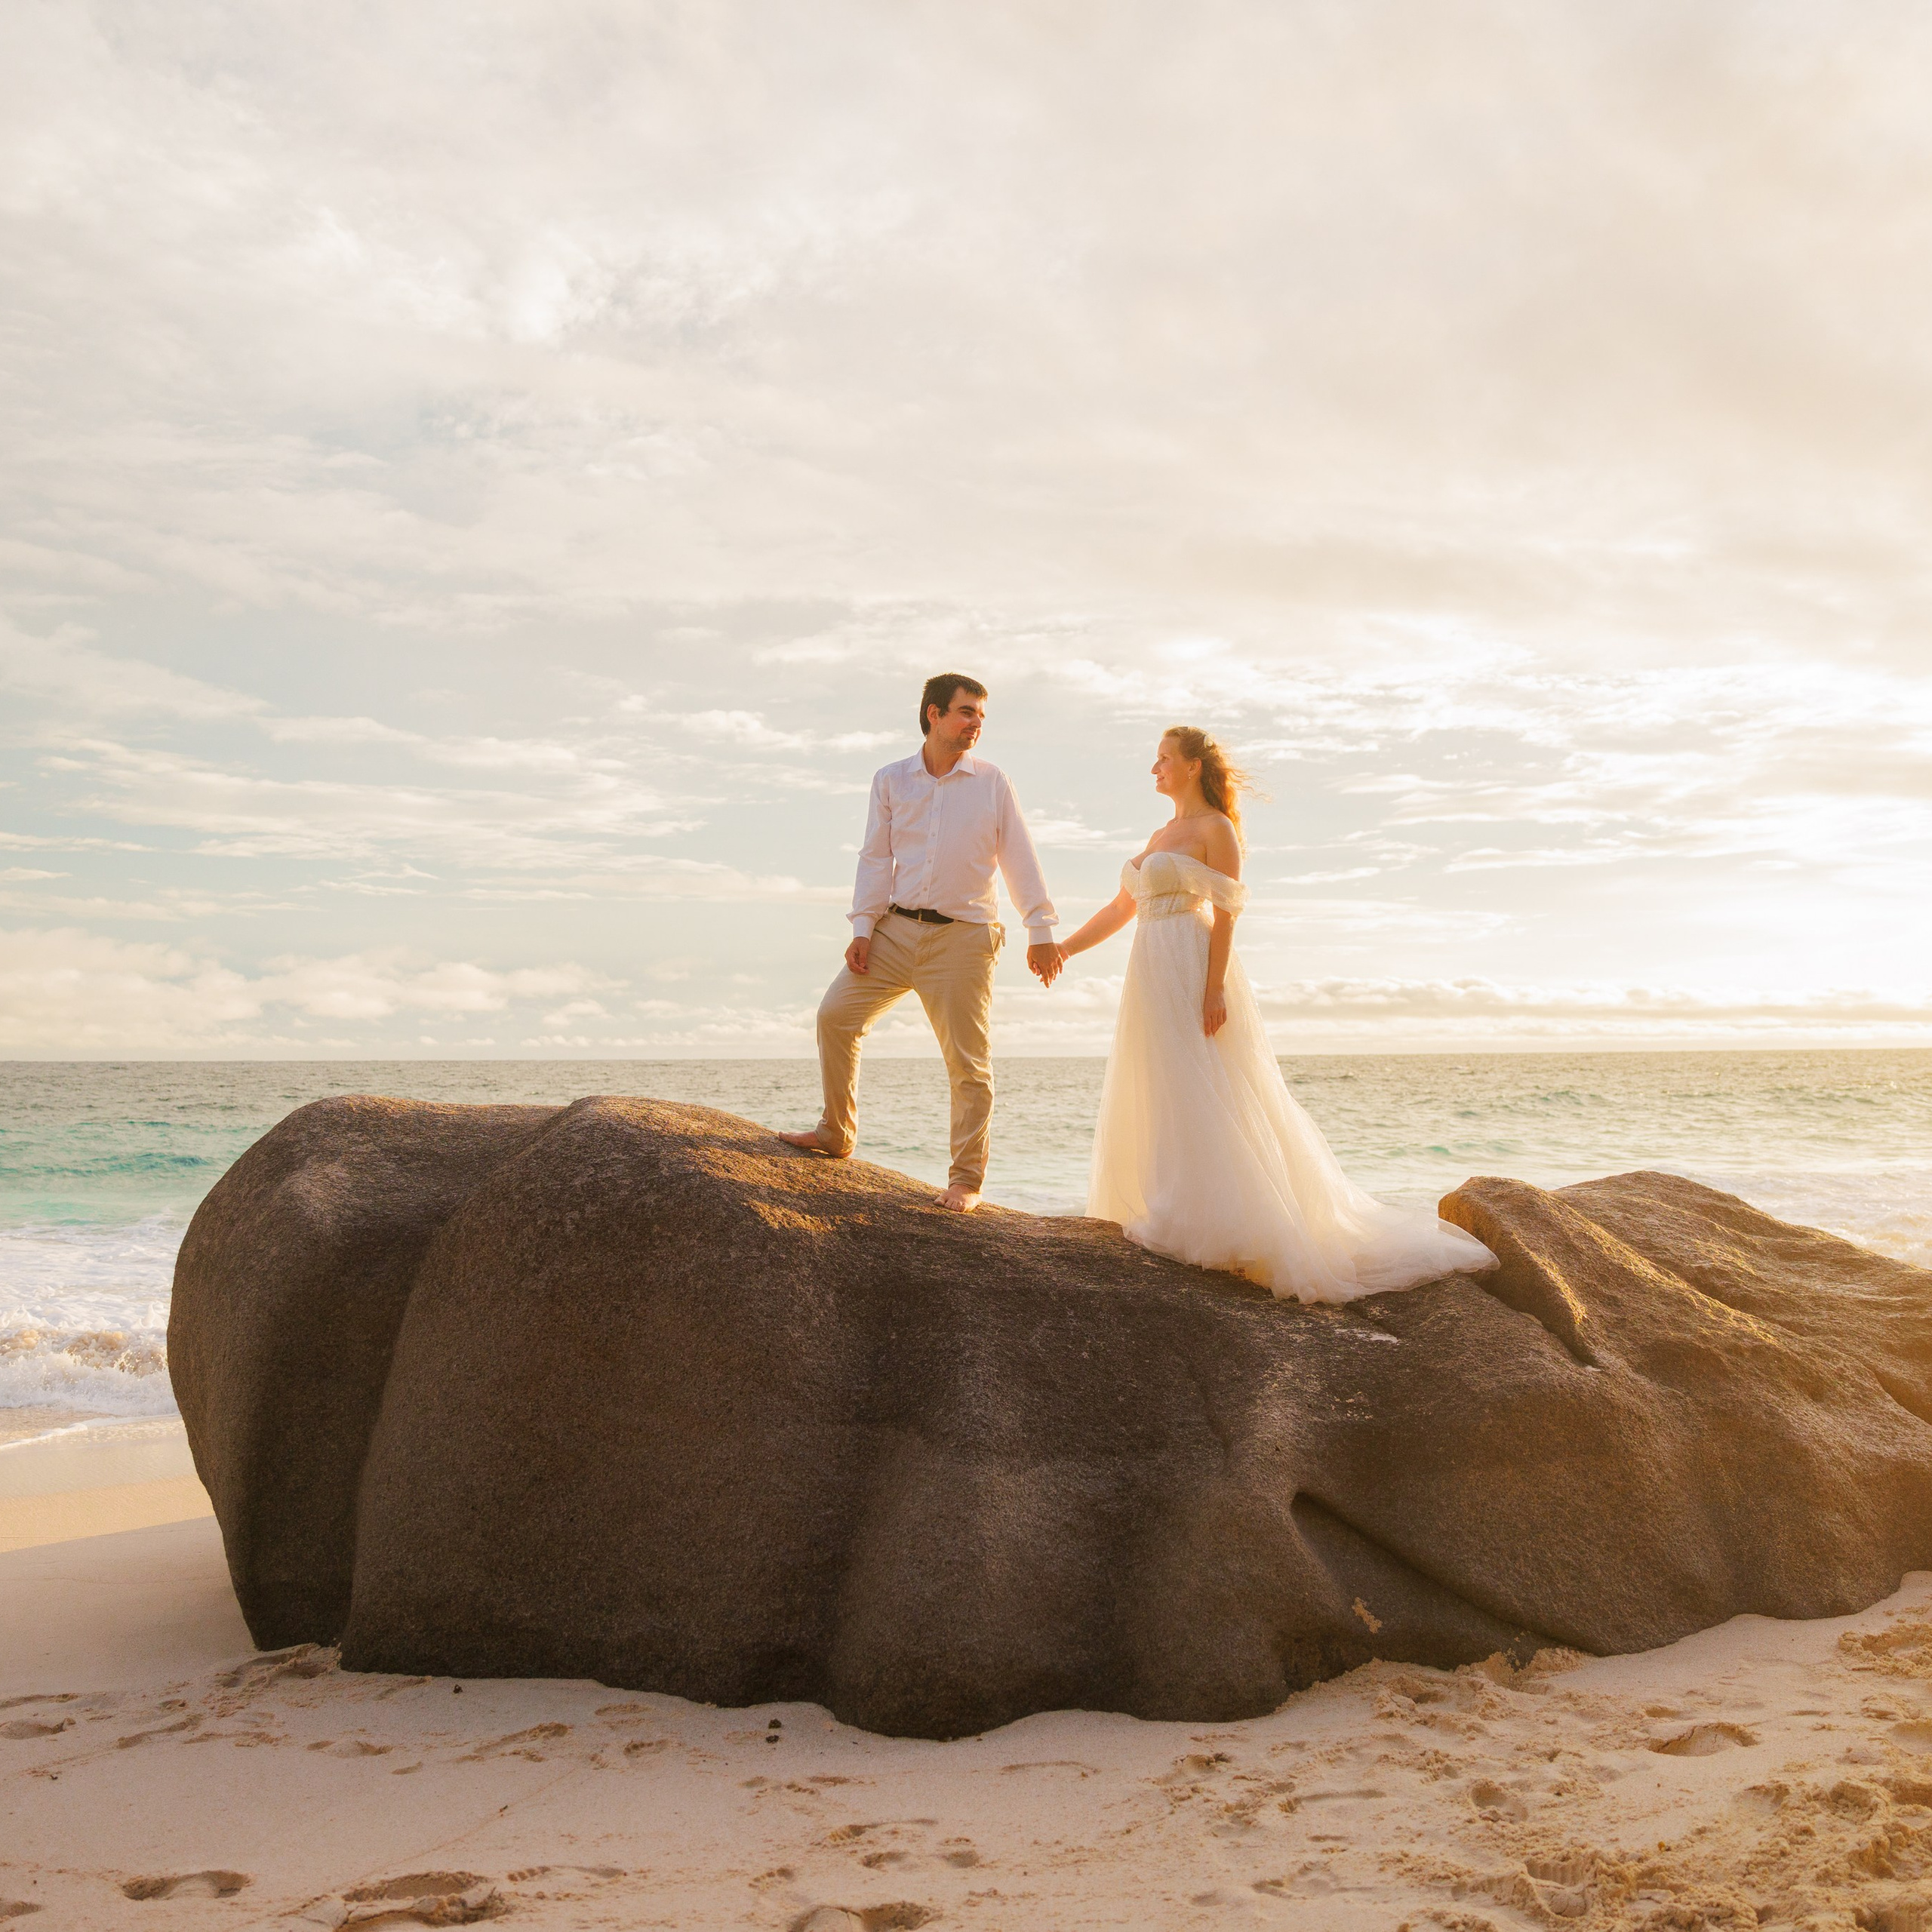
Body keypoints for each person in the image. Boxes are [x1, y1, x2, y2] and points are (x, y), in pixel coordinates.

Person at [1054, 725, 1497, 1302]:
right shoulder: (1161, 831)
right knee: (1161, 1083)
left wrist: (1213, 990)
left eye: (1163, 759)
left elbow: (1228, 914)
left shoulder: (1218, 830)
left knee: (1206, 1085)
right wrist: (1064, 949)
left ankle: (1219, 1224)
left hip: (1190, 962)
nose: (1154, 768)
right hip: (1149, 969)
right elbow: (1120, 908)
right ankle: (1170, 1206)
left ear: (1191, 767)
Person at [780, 673, 1061, 1211]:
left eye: (981, 715)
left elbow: (1019, 857)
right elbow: (875, 857)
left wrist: (1041, 930)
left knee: (968, 1064)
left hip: (964, 938)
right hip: (894, 930)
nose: (976, 723)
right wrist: (862, 928)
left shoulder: (992, 782)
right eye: (966, 712)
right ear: (933, 714)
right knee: (835, 1017)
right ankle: (837, 1133)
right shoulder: (891, 780)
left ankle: (966, 1181)